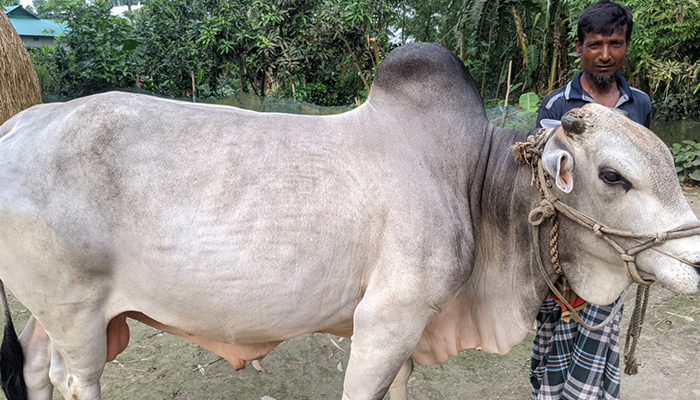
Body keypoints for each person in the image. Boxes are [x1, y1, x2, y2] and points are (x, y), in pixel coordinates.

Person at [531, 1, 651, 399]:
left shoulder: (640, 106)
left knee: (600, 338)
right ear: (578, 46)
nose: (604, 55)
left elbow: (643, 181)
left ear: (626, 46)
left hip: (614, 246)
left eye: (614, 43)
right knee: (555, 337)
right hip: (565, 249)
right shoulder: (556, 107)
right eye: (595, 44)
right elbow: (541, 183)